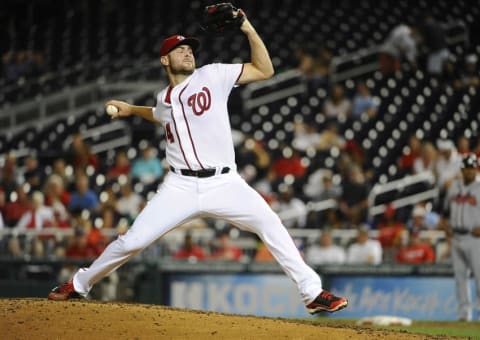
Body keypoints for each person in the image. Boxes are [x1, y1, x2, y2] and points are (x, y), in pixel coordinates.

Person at [47, 8, 347, 314]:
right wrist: (130, 109)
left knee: (270, 223)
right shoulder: (164, 98)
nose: (188, 52)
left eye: (190, 48)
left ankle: (312, 292)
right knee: (132, 242)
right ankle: (79, 284)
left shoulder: (213, 74)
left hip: (225, 182)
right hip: (180, 185)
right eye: (180, 49)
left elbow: (265, 70)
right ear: (165, 60)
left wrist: (247, 27)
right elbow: (158, 114)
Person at [441, 153, 480, 321]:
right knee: (460, 278)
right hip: (456, 237)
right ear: (462, 170)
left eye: (472, 168)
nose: (469, 171)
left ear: (476, 169)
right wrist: (445, 227)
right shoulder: (453, 187)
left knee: (479, 277)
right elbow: (445, 211)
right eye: (466, 168)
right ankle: (464, 314)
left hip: (475, 239)